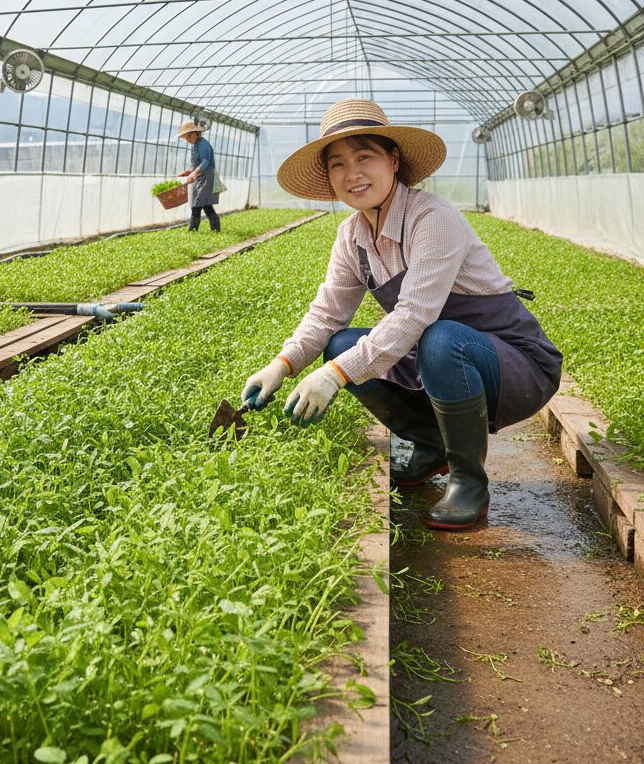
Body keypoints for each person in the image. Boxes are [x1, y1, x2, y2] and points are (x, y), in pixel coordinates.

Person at [240, 99, 562, 530]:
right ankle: (430, 447)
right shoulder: (352, 235)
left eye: (364, 157)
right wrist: (281, 366)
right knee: (341, 343)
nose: (352, 174)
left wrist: (335, 375)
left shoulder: (432, 216)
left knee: (438, 337)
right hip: (439, 352)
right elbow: (328, 312)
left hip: (516, 366)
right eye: (338, 164)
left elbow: (414, 315)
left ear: (394, 161)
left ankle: (469, 480)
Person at [177, 120, 220, 232]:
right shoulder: (195, 145)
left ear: (194, 134)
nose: (187, 140)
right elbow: (197, 163)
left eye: (187, 137)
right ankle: (214, 230)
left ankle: (193, 231)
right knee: (204, 205)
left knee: (199, 206)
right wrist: (189, 171)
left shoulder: (203, 144)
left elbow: (206, 161)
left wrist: (195, 172)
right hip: (200, 177)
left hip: (206, 178)